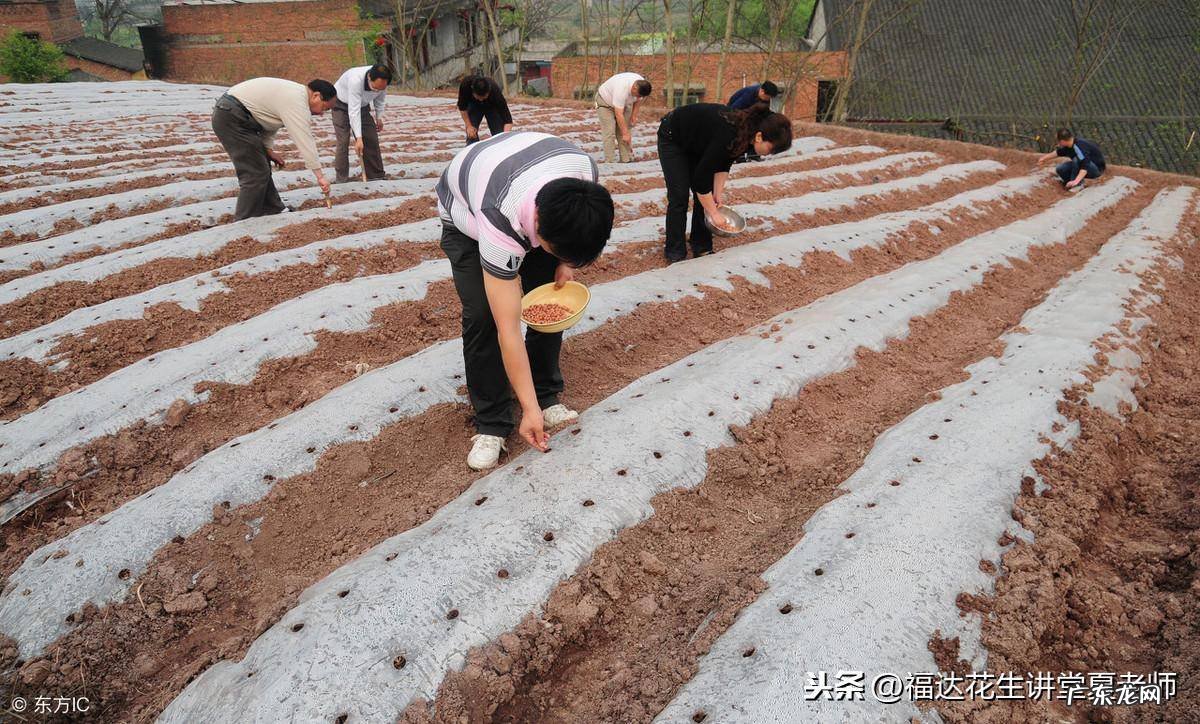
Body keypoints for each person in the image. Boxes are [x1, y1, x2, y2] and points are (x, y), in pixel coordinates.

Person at [436, 131, 615, 470]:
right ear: (538, 226)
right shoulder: (498, 220)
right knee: (485, 317)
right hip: (467, 212)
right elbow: (509, 330)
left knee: (549, 301)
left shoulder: (584, 174)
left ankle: (546, 393)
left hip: (526, 174)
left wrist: (565, 262)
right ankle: (492, 422)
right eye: (557, 249)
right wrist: (527, 411)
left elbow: (578, 232)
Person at [657, 103, 793, 262]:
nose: (769, 154)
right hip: (674, 137)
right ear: (759, 137)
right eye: (771, 149)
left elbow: (724, 162)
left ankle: (701, 245)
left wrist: (717, 194)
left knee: (708, 198)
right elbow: (701, 180)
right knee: (679, 196)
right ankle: (675, 252)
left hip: (698, 142)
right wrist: (714, 213)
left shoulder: (745, 135)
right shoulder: (730, 132)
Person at [211, 78, 336, 220]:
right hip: (232, 117)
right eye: (325, 108)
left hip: (236, 114)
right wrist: (320, 176)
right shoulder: (297, 101)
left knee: (261, 166)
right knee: (255, 173)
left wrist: (268, 150)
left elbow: (269, 121)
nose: (322, 114)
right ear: (316, 96)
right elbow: (304, 139)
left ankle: (273, 208)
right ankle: (244, 220)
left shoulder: (294, 94)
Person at [331, 64, 391, 183]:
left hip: (363, 106)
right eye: (375, 88)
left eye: (381, 88)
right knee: (343, 140)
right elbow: (353, 111)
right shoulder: (355, 80)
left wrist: (379, 117)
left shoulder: (382, 83)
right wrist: (358, 138)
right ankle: (341, 178)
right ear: (369, 78)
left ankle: (376, 175)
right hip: (340, 104)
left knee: (371, 136)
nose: (378, 91)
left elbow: (380, 100)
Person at [595, 72, 652, 163]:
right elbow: (619, 114)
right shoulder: (621, 89)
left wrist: (634, 115)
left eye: (640, 96)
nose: (638, 97)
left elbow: (638, 101)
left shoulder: (642, 85)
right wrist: (625, 133)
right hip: (605, 104)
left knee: (625, 130)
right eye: (637, 95)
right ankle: (610, 161)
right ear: (634, 88)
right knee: (610, 131)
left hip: (624, 104)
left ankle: (626, 159)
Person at [1036, 128, 1106, 191]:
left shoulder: (1079, 147)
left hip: (1096, 169)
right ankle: (1069, 183)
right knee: (1060, 169)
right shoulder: (1069, 145)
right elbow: (1058, 152)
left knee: (1076, 160)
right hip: (1084, 166)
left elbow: (1085, 166)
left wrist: (1076, 181)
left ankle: (1077, 185)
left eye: (1058, 141)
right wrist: (1043, 158)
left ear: (1062, 141)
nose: (1058, 143)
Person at [457, 75, 513, 145]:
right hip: (474, 105)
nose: (481, 100)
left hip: (491, 106)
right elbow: (462, 108)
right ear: (473, 91)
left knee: (499, 133)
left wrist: (504, 138)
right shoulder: (465, 85)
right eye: (478, 97)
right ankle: (473, 149)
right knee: (471, 133)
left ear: (488, 92)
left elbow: (508, 120)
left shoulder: (495, 91)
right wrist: (469, 126)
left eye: (484, 97)